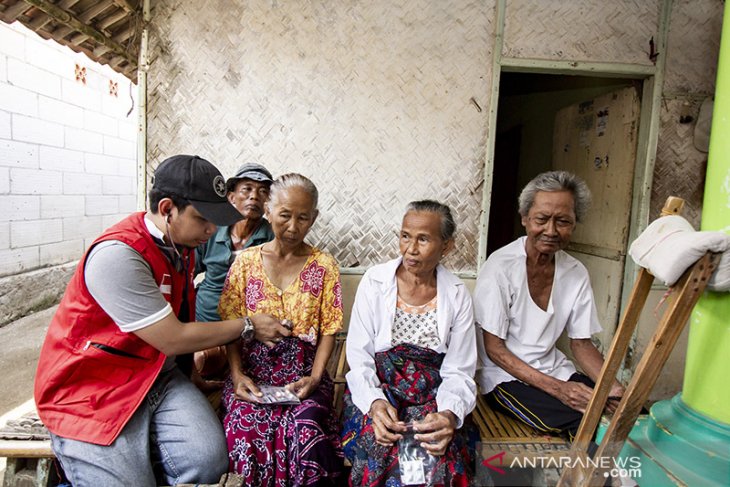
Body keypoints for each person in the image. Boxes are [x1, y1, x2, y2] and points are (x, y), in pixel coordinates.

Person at [33, 155, 290, 487]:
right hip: (93, 388)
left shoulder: (180, 246)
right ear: (168, 208)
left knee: (208, 462)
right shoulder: (120, 255)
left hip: (156, 376)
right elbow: (172, 337)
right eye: (203, 220)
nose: (212, 230)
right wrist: (249, 324)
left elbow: (180, 317)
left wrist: (191, 374)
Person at [474, 170, 625, 441]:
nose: (551, 231)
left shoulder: (575, 272)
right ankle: (599, 481)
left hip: (555, 370)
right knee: (585, 422)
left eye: (563, 221)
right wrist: (558, 390)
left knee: (626, 413)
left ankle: (625, 479)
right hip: (504, 378)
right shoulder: (500, 267)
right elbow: (494, 351)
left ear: (575, 223)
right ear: (525, 219)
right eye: (542, 219)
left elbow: (581, 344)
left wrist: (610, 387)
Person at [218, 173, 345, 485]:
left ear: (313, 218)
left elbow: (329, 329)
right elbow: (231, 325)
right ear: (268, 211)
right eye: (285, 215)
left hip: (304, 370)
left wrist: (316, 378)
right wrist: (237, 375)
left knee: (306, 427)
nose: (292, 227)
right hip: (253, 369)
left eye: (303, 218)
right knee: (244, 426)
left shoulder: (324, 265)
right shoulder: (245, 262)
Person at [342, 200, 478, 486]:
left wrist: (448, 414)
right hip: (380, 388)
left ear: (447, 246)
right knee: (380, 443)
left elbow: (459, 369)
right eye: (405, 236)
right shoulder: (375, 282)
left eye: (423, 239)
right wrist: (375, 403)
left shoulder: (456, 294)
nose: (410, 249)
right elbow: (359, 355)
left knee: (438, 451)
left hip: (433, 393)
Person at [193, 162, 275, 384]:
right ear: (231, 197)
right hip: (207, 323)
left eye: (263, 192)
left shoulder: (272, 236)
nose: (254, 197)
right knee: (202, 360)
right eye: (247, 189)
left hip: (248, 328)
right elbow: (188, 273)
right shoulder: (211, 230)